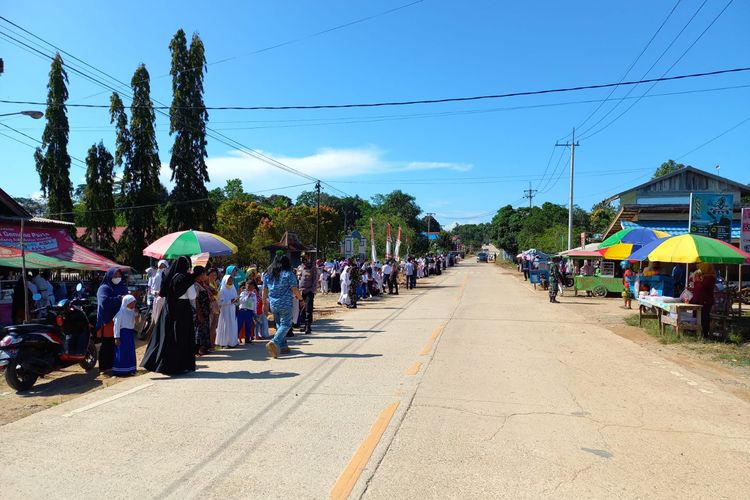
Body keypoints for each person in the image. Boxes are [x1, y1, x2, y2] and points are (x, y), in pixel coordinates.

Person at [141, 256, 197, 374]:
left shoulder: (169, 277)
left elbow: (163, 293)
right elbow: (192, 296)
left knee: (167, 338)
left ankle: (164, 365)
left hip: (168, 310)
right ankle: (181, 365)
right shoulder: (185, 278)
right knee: (182, 337)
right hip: (182, 311)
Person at [263, 254, 304, 358]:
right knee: (286, 324)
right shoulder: (289, 274)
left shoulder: (268, 274)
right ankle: (274, 341)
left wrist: (264, 303)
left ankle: (283, 346)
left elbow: (264, 290)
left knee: (279, 324)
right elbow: (294, 289)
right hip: (285, 303)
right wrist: (301, 299)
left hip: (273, 304)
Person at [96, 267, 126, 373]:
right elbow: (104, 302)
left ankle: (117, 365)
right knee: (108, 344)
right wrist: (118, 299)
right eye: (115, 276)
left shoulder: (122, 286)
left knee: (119, 344)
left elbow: (127, 299)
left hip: (121, 319)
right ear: (109, 276)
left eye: (119, 276)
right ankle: (104, 367)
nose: (117, 278)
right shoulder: (104, 288)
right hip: (108, 320)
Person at [113, 295, 138, 376]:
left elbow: (136, 322)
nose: (133, 305)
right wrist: (117, 337)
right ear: (127, 302)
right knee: (122, 352)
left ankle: (131, 369)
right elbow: (116, 325)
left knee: (130, 351)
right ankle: (121, 370)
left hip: (130, 334)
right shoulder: (120, 313)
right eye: (132, 303)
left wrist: (137, 315)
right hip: (123, 335)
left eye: (134, 303)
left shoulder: (132, 312)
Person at [690, 263, 716, 338]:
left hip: (705, 301)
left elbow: (702, 287)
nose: (699, 267)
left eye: (702, 265)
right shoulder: (704, 276)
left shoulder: (710, 277)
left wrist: (697, 281)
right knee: (696, 316)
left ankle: (704, 334)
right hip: (698, 301)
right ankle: (695, 332)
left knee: (704, 317)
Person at [215, 274, 239, 348]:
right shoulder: (222, 289)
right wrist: (230, 301)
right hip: (225, 310)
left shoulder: (233, 288)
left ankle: (232, 342)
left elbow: (235, 298)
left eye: (231, 279)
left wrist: (236, 301)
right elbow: (220, 302)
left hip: (232, 309)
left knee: (232, 324)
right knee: (225, 325)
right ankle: (224, 342)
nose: (230, 281)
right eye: (229, 279)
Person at [193, 266, 212, 356]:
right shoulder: (195, 285)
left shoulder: (202, 284)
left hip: (205, 311)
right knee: (200, 330)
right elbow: (196, 300)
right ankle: (199, 349)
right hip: (200, 311)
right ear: (200, 274)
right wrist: (199, 313)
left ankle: (204, 348)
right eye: (204, 273)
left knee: (204, 329)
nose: (205, 275)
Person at [298, 256, 319, 334]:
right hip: (301, 291)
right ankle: (304, 324)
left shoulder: (312, 268)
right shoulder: (300, 267)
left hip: (309, 291)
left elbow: (315, 280)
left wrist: (312, 290)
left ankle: (308, 326)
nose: (304, 262)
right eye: (302, 261)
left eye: (305, 260)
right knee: (302, 309)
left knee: (308, 309)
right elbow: (299, 278)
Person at [207, 268, 220, 346]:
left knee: (214, 325)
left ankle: (212, 343)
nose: (214, 276)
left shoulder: (214, 283)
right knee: (210, 324)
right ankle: (209, 343)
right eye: (212, 275)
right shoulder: (208, 284)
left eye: (215, 275)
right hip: (211, 306)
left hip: (216, 305)